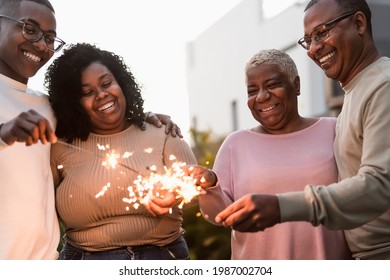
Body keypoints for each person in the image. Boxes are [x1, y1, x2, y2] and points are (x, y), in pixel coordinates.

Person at [207, 0, 390, 260]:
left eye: (322, 32)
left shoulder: (382, 86)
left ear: (359, 23)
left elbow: (379, 185)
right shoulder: (357, 92)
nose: (314, 48)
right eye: (308, 40)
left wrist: (280, 206)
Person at [0, 0, 182, 260]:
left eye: (50, 38)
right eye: (30, 29)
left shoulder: (48, 107)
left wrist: (143, 118)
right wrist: (4, 132)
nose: (42, 44)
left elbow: (100, 118)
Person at [189, 49, 351, 259]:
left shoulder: (335, 130)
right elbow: (219, 216)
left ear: (296, 85)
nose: (262, 96)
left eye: (273, 85)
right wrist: (209, 185)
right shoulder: (236, 144)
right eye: (252, 90)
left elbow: (361, 193)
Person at [46, 43, 197, 260]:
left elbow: (197, 189)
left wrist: (177, 194)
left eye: (107, 83)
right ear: (73, 104)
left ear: (121, 83)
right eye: (87, 92)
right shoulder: (60, 147)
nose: (102, 94)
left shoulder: (161, 131)